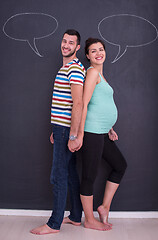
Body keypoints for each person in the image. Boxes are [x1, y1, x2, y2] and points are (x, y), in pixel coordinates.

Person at [30, 29, 85, 235]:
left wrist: (71, 135)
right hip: (61, 128)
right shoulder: (67, 67)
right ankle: (76, 216)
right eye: (64, 41)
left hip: (66, 130)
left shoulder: (74, 69)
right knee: (69, 173)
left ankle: (54, 223)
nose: (66, 45)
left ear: (77, 47)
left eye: (71, 43)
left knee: (58, 176)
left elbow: (78, 103)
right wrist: (57, 128)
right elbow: (66, 104)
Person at [75, 38, 127, 231]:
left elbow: (101, 104)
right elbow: (84, 104)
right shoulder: (92, 73)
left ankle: (104, 207)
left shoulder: (101, 75)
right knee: (89, 176)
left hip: (102, 132)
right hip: (91, 132)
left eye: (101, 49)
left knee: (120, 165)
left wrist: (110, 127)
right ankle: (88, 219)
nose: (98, 53)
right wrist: (79, 135)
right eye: (93, 51)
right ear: (87, 55)